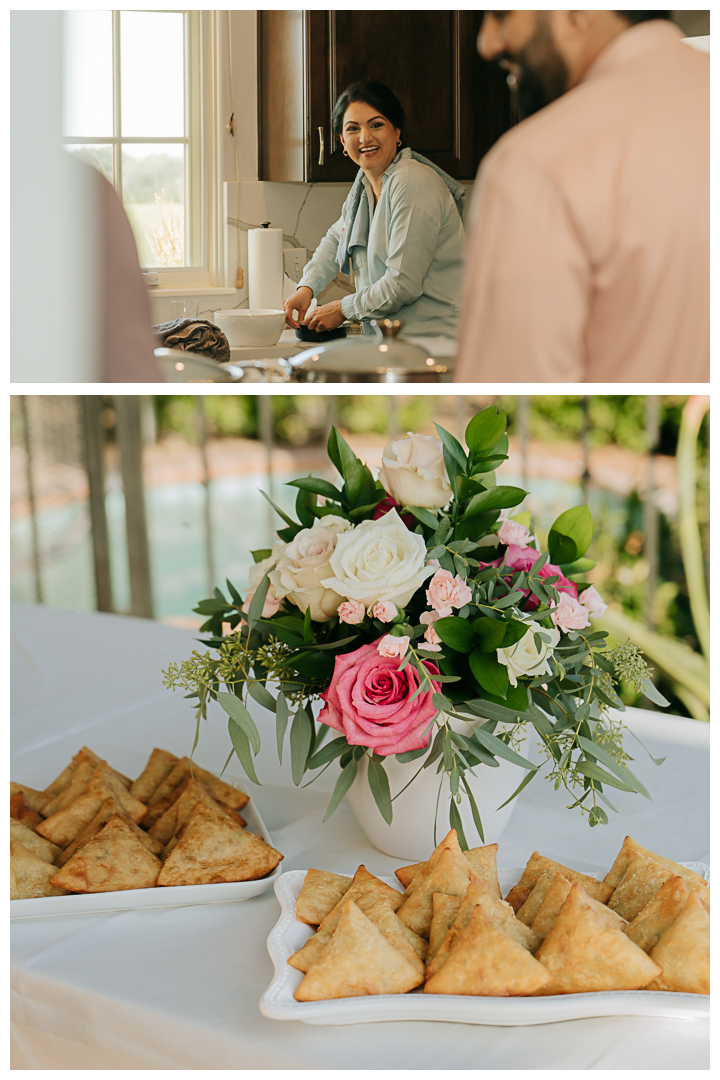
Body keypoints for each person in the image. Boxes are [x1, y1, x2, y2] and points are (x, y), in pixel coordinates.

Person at [454, 11, 709, 383]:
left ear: (577, 14)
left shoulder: (535, 164)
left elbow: (506, 410)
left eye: (500, 12)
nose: (487, 42)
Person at [283, 81, 466, 338]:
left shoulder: (412, 182)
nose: (365, 137)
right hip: (392, 345)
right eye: (353, 129)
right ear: (342, 142)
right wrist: (307, 288)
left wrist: (343, 309)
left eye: (376, 125)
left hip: (434, 347)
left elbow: (402, 284)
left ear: (397, 131)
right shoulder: (366, 188)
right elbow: (337, 238)